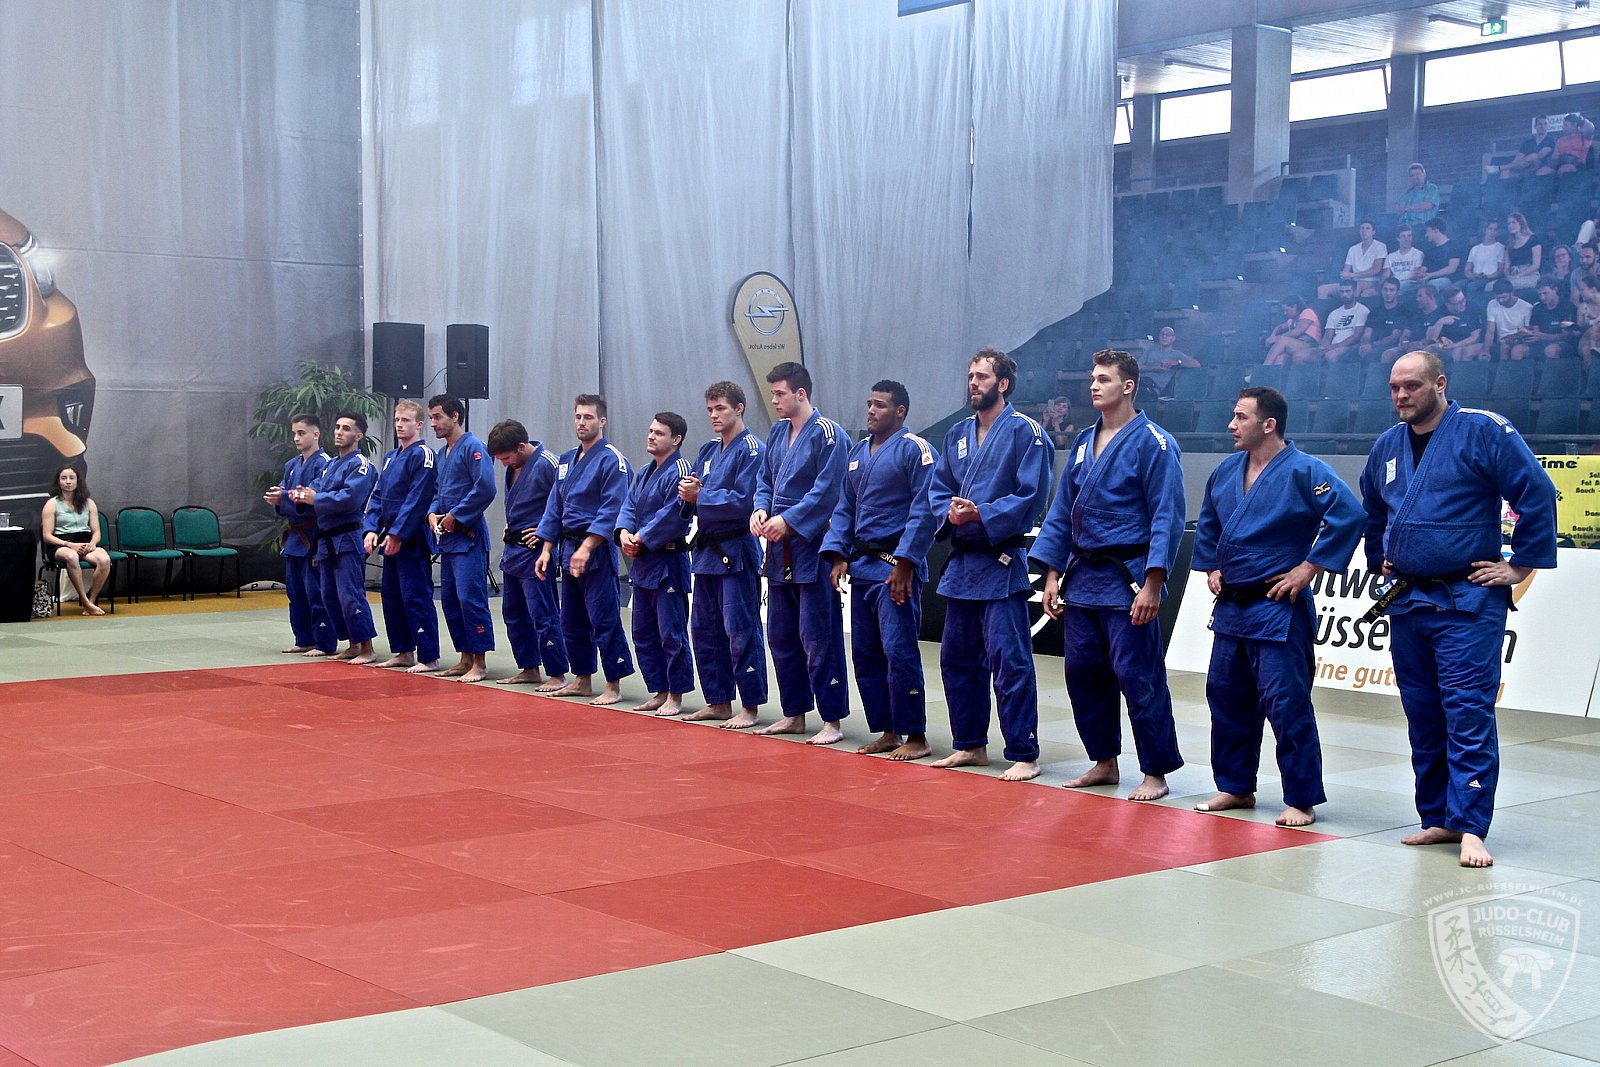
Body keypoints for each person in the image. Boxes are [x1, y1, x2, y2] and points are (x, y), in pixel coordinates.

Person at [1360, 349, 1558, 868]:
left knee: (1466, 711)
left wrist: (1520, 565)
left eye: (1412, 386)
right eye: (1394, 388)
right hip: (1409, 600)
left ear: (1440, 383)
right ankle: (1439, 817)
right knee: (1422, 714)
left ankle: (1472, 826)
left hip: (1466, 600)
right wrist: (1380, 555)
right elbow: (1373, 509)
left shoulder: (1483, 429)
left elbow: (1536, 492)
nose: (1401, 396)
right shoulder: (1387, 444)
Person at [1190, 387, 1363, 827]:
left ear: (1269, 425)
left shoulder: (1306, 470)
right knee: (1225, 697)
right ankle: (1235, 786)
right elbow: (1208, 522)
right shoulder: (1226, 471)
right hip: (1232, 607)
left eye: (1241, 417)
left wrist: (1308, 568)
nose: (1231, 425)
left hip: (1278, 607)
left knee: (1286, 704)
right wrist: (1211, 566)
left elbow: (1348, 515)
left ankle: (1301, 798)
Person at [1035, 348, 1185, 802]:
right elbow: (1061, 511)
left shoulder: (1155, 443)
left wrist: (1154, 583)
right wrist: (1052, 573)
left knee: (1138, 676)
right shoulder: (1084, 440)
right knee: (1082, 673)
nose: (1094, 385)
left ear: (1128, 386)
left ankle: (1155, 770)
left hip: (1128, 578)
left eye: (1104, 378)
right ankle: (1104, 761)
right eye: (1092, 378)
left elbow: (1167, 516)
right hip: (1083, 577)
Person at [927, 347, 1054, 781]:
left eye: (982, 376)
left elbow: (1031, 496)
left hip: (1001, 563)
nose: (973, 383)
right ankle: (970, 745)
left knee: (1010, 662)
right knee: (957, 660)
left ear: (1002, 383)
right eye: (970, 376)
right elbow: (938, 488)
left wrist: (982, 513)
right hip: (963, 564)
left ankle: (1024, 752)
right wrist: (948, 511)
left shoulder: (1027, 432)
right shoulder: (957, 434)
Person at [821, 380, 938, 761]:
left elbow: (925, 510)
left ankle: (916, 735)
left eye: (881, 405)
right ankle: (888, 731)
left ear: (900, 411)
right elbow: (845, 508)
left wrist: (907, 561)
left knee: (899, 652)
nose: (871, 410)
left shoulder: (915, 450)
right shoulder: (857, 452)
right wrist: (839, 554)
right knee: (867, 654)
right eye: (869, 403)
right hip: (864, 568)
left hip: (895, 570)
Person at [750, 362, 851, 745]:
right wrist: (761, 509)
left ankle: (832, 720)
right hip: (779, 552)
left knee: (818, 637)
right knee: (780, 635)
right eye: (773, 393)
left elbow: (828, 492)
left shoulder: (830, 435)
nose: (774, 400)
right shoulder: (778, 432)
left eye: (780, 393)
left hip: (813, 549)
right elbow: (764, 480)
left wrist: (789, 520)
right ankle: (794, 713)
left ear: (801, 393)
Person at [678, 382, 769, 728]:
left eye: (721, 409)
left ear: (739, 408)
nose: (714, 416)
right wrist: (688, 494)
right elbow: (693, 496)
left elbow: (745, 501)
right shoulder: (707, 450)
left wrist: (700, 496)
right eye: (710, 410)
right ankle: (718, 701)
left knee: (740, 629)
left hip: (736, 550)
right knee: (704, 630)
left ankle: (750, 705)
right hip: (706, 552)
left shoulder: (753, 450)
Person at [535, 394, 636, 704]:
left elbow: (612, 508)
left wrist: (588, 546)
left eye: (588, 417)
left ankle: (613, 684)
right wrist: (546, 548)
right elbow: (555, 507)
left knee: (604, 617)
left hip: (597, 550)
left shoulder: (612, 460)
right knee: (572, 619)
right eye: (578, 416)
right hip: (568, 547)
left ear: (602, 421)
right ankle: (581, 679)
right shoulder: (566, 460)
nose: (581, 422)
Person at [617, 412, 695, 716]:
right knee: (643, 632)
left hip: (668, 561)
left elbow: (674, 516)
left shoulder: (681, 470)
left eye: (659, 433)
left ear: (676, 439)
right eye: (650, 431)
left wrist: (641, 537)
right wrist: (623, 533)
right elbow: (628, 506)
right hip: (644, 562)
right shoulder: (643, 471)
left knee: (671, 633)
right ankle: (659, 689)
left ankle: (676, 694)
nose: (651, 436)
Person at [487, 419, 568, 690]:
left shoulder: (548, 464)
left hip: (536, 553)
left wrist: (548, 531)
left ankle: (557, 672)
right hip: (513, 550)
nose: (503, 463)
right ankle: (529, 667)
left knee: (543, 613)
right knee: (513, 613)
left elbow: (566, 503)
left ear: (522, 446)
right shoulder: (514, 466)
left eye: (506, 457)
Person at [363, 400, 440, 673]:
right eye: (397, 420)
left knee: (415, 595)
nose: (399, 425)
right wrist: (371, 529)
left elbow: (418, 498)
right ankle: (404, 651)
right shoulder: (390, 457)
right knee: (391, 596)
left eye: (405, 420)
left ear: (419, 424)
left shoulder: (424, 455)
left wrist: (397, 533)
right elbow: (378, 496)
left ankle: (428, 656)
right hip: (390, 538)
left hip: (412, 537)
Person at [298, 411, 377, 664]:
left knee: (350, 594)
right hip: (326, 539)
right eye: (337, 427)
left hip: (348, 537)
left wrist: (317, 498)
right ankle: (353, 643)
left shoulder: (362, 464)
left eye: (346, 428)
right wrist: (299, 495)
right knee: (329, 596)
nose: (339, 432)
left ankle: (366, 647)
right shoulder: (331, 465)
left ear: (359, 435)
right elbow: (315, 490)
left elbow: (350, 498)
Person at [427, 395, 496, 683]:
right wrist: (432, 514)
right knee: (451, 601)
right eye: (431, 418)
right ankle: (465, 656)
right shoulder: (442, 454)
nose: (433, 423)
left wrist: (457, 514)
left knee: (471, 598)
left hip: (469, 538)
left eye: (438, 417)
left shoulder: (474, 447)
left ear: (455, 416)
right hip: (448, 541)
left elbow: (486, 488)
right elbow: (437, 492)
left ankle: (479, 661)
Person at [263, 413, 332, 654]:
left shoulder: (326, 463)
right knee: (295, 592)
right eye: (294, 433)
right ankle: (303, 639)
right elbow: (286, 493)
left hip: (314, 535)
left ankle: (324, 642)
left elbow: (312, 496)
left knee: (316, 592)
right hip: (294, 538)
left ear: (316, 434)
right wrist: (278, 496)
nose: (296, 438)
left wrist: (284, 497)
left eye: (301, 433)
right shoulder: (291, 465)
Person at [41, 466, 111, 616]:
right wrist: (69, 544)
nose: (68, 482)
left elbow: (96, 532)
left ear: (78, 481)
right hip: (61, 544)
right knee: (72, 557)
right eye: (64, 478)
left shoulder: (89, 503)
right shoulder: (51, 504)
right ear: (58, 481)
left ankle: (91, 602)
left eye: (71, 478)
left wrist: (93, 543)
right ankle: (84, 600)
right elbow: (47, 536)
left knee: (104, 559)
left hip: (84, 542)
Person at [1317, 220, 1386, 299]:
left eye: (1368, 228)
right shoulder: (1353, 249)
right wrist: (1345, 276)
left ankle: (1351, 306)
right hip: (1354, 281)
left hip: (1371, 281)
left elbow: (1376, 270)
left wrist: (1353, 275)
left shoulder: (1379, 246)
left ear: (1373, 232)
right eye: (1362, 228)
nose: (1364, 231)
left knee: (1356, 286)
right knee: (1322, 289)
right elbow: (1346, 270)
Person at [1523, 276, 1579, 361]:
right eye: (1540, 294)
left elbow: (1566, 335)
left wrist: (1543, 336)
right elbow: (1536, 331)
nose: (1542, 297)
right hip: (1541, 343)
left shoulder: (1567, 307)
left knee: (1551, 350)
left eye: (1545, 293)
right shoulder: (1537, 308)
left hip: (1563, 344)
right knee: (1518, 350)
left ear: (1555, 289)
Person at [1363, 277, 1418, 363]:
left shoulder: (1403, 312)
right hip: (1371, 345)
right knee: (1350, 354)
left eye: (1392, 290)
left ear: (1398, 292)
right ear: (1381, 291)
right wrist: (1364, 344)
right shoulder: (1374, 312)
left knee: (1373, 355)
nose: (1388, 293)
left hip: (1389, 346)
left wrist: (1373, 345)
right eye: (1385, 289)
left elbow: (1394, 337)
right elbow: (1367, 333)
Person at [1138, 326, 1200, 399]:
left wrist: (1177, 363)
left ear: (1173, 338)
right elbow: (1137, 367)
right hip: (1141, 382)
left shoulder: (1176, 354)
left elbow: (1196, 364)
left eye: (1167, 335)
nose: (1164, 337)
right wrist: (1154, 368)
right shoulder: (1150, 351)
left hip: (1154, 388)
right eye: (1162, 334)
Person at [1427, 286, 1485, 362]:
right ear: (1448, 304)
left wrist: (1455, 345)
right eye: (1459, 303)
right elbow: (1430, 338)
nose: (1463, 304)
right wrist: (1440, 322)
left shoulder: (1473, 308)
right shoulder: (1439, 311)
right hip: (1446, 343)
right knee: (1429, 350)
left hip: (1467, 342)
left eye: (1463, 300)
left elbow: (1476, 337)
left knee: (1457, 351)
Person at [1483, 280, 1534, 364]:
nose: (1500, 301)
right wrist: (1486, 351)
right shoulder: (1492, 304)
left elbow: (1528, 331)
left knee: (1508, 348)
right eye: (1498, 298)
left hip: (1519, 340)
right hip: (1501, 342)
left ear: (1512, 293)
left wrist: (1513, 339)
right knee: (1504, 346)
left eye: (1504, 297)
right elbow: (1490, 331)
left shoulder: (1526, 307)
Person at [1319, 282, 1370, 364]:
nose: (1344, 294)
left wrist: (1334, 347)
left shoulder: (1362, 310)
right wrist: (1323, 348)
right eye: (1342, 292)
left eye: (1347, 291)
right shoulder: (1334, 313)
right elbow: (1327, 336)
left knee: (1331, 355)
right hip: (1332, 346)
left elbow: (1356, 336)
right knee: (1302, 356)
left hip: (1350, 346)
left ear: (1354, 291)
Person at [1262, 296, 1321, 365]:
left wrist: (1276, 338)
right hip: (1296, 345)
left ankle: (1265, 367)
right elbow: (1279, 327)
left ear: (1295, 306)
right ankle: (1273, 371)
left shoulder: (1307, 312)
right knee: (1280, 358)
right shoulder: (1291, 321)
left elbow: (1297, 332)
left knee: (1283, 340)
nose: (1285, 313)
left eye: (1287, 310)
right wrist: (1272, 337)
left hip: (1311, 346)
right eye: (1284, 311)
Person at [1496, 114, 1555, 180]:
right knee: (1505, 172)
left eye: (1545, 124)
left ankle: (1501, 167)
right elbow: (1517, 159)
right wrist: (1509, 168)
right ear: (1535, 126)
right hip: (1526, 169)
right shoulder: (1528, 143)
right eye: (1540, 124)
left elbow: (1541, 156)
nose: (1543, 126)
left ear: (1548, 126)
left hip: (1542, 168)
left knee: (1533, 156)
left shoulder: (1551, 141)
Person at [1461, 219, 1506, 296]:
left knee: (1472, 287)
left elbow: (1500, 271)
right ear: (1484, 230)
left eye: (1495, 230)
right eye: (1490, 229)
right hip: (1474, 278)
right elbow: (1467, 270)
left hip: (1489, 278)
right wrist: (1473, 276)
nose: (1492, 232)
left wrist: (1486, 276)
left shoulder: (1500, 248)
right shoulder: (1475, 249)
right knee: (1456, 287)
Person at [1417, 217, 1461, 292]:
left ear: (1436, 230)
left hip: (1447, 279)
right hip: (1428, 279)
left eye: (1427, 231)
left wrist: (1431, 275)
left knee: (1431, 286)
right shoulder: (1429, 250)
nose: (1426, 235)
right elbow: (1425, 267)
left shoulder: (1453, 246)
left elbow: (1451, 269)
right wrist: (1421, 272)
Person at [1504, 212, 1543, 292]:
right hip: (1513, 274)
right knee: (1490, 286)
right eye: (1509, 224)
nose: (1511, 225)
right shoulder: (1508, 244)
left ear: (1521, 223)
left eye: (1514, 222)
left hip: (1530, 275)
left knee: (1508, 286)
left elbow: (1536, 265)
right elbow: (1507, 265)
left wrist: (1519, 275)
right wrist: (1508, 275)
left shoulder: (1533, 239)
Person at [1394, 164, 1439, 231]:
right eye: (1412, 175)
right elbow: (1399, 210)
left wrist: (1406, 209)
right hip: (1405, 227)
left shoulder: (1432, 188)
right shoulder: (1408, 193)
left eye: (1418, 174)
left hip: (1424, 227)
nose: (1415, 177)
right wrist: (1398, 208)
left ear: (1424, 175)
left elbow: (1428, 205)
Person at [1383, 225, 1425, 293]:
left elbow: (1416, 274)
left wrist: (1397, 281)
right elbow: (1386, 276)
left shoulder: (1419, 254)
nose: (1406, 239)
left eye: (1409, 236)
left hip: (1411, 284)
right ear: (1398, 238)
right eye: (1403, 236)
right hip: (1394, 284)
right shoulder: (1390, 256)